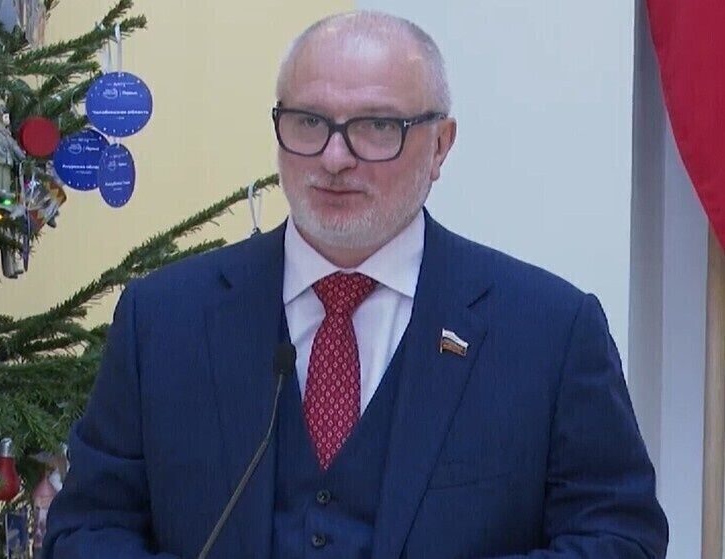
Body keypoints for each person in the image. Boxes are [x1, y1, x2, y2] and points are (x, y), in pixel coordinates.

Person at [43, 10, 668, 558]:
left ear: (440, 146)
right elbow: (86, 530)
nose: (334, 158)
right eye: (309, 122)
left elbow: (620, 538)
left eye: (376, 127)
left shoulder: (549, 331)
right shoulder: (163, 319)